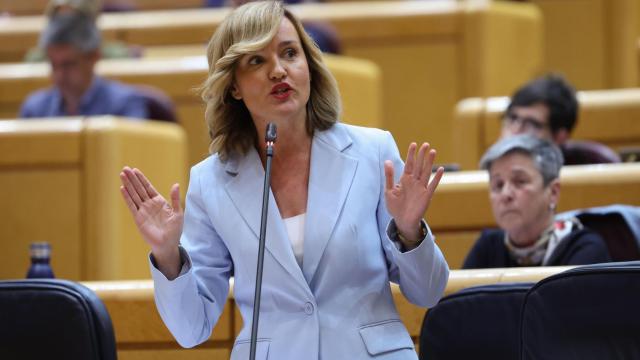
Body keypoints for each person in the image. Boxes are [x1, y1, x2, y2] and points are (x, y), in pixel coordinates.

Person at [119, 2, 448, 359]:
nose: (278, 71)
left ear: (308, 65)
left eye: (289, 53)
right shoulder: (210, 182)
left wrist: (410, 231)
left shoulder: (372, 151)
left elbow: (428, 292)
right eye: (256, 61)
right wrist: (167, 255)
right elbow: (190, 328)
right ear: (233, 87)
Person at [463, 134, 611, 269]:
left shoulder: (584, 249)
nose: (506, 194)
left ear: (553, 192)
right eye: (498, 185)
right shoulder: (488, 246)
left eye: (520, 181)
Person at [19, 11, 148, 119]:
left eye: (68, 64)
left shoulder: (125, 105)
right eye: (54, 65)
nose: (59, 75)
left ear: (94, 57)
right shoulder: (34, 109)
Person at [500, 74, 620, 165]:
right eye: (512, 118)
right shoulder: (494, 167)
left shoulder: (598, 163)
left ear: (560, 136)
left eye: (532, 124)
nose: (515, 131)